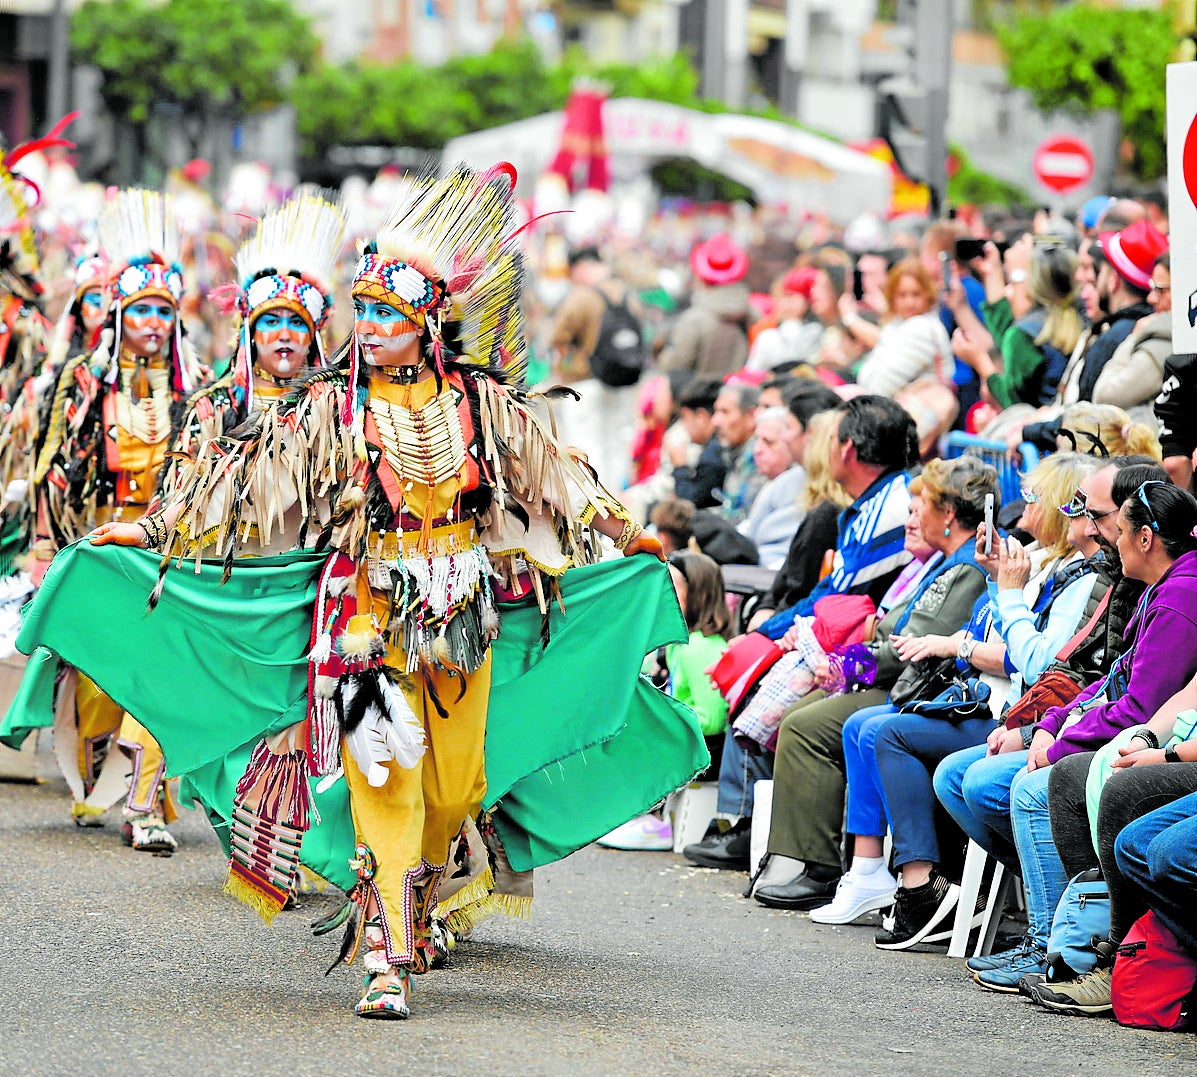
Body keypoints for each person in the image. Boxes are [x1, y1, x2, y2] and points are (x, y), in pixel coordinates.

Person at [76, 163, 701, 1020]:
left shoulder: (481, 403)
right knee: (385, 780)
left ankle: (427, 895)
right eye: (362, 312)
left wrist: (626, 531)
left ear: (424, 324)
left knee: (452, 788)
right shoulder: (329, 408)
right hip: (365, 620)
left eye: (385, 315)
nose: (367, 328)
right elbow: (240, 475)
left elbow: (555, 473)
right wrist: (151, 531)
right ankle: (385, 957)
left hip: (462, 617)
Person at [811, 453, 1104, 941]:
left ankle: (923, 887)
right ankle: (875, 873)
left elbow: (1034, 662)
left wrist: (965, 639)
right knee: (863, 727)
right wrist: (994, 594)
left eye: (1033, 496)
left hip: (1017, 712)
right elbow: (998, 636)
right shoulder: (1039, 562)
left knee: (887, 733)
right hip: (995, 702)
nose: (1020, 506)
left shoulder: (1076, 574)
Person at [935, 467, 1197, 993]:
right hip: (1106, 728)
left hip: (1150, 740)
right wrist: (1045, 726)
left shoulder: (1177, 595)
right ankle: (1074, 933)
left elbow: (1134, 703)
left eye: (1107, 522)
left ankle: (1072, 948)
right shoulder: (1149, 582)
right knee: (957, 775)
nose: (1102, 534)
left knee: (1033, 788)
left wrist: (1057, 740)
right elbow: (1099, 679)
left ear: (1146, 537)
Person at [681, 396, 919, 870]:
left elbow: (836, 599)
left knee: (757, 688)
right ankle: (743, 822)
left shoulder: (889, 504)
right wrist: (770, 628)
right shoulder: (864, 503)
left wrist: (771, 635)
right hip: (843, 636)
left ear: (847, 449)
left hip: (864, 650)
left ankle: (756, 830)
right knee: (746, 663)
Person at [33, 189, 203, 852]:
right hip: (102, 546)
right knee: (103, 676)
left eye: (165, 310)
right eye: (142, 310)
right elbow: (56, 468)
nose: (155, 323)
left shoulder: (195, 391)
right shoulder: (86, 383)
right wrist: (46, 544)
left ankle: (144, 805)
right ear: (120, 315)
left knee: (156, 673)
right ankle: (106, 773)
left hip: (165, 550)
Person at [753, 456, 996, 911]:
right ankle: (842, 866)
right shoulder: (946, 562)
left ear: (946, 513)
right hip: (909, 682)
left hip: (918, 689)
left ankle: (824, 866)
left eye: (918, 506)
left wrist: (847, 666)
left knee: (816, 726)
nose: (912, 518)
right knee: (828, 721)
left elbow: (913, 646)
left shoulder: (966, 568)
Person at [597, 551, 731, 852]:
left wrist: (665, 718)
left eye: (671, 590)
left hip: (709, 746)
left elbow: (712, 719)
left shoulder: (698, 648)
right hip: (690, 737)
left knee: (639, 738)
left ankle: (652, 817)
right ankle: (633, 811)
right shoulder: (679, 646)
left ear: (696, 596)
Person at [845, 259, 957, 457]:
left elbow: (879, 387)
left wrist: (850, 318)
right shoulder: (897, 326)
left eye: (916, 294)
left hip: (918, 425)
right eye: (902, 295)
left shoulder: (922, 329)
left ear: (928, 295)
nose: (909, 302)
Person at [953, 237, 1082, 408]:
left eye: (1013, 282)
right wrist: (993, 273)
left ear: (1032, 290)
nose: (1007, 292)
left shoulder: (1023, 336)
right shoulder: (1077, 321)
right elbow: (1006, 334)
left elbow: (1013, 405)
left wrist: (981, 363)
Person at [1092, 251, 1172, 425]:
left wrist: (1133, 338)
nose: (1151, 298)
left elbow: (1105, 396)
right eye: (1151, 288)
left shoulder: (1164, 342)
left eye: (1160, 290)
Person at [658, 233, 751, 380]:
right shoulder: (751, 314)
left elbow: (674, 368)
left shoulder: (694, 319)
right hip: (736, 398)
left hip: (698, 398)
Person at [737, 406, 804, 570]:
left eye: (768, 442)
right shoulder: (770, 481)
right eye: (756, 441)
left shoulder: (800, 482)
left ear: (790, 442)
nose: (757, 450)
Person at [746, 267, 823, 373]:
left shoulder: (819, 331)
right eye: (780, 297)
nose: (783, 303)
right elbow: (752, 373)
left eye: (790, 296)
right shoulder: (766, 332)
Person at [710, 381, 762, 525]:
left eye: (725, 412)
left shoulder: (758, 457)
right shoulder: (732, 451)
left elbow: (743, 517)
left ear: (751, 416)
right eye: (716, 411)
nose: (715, 421)